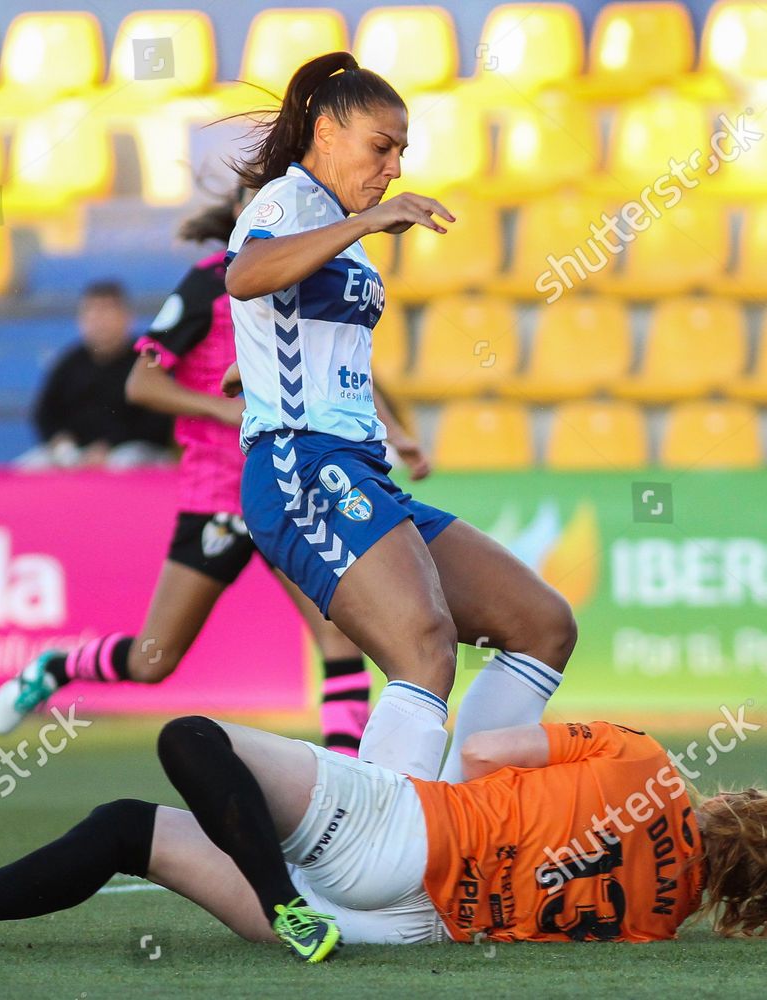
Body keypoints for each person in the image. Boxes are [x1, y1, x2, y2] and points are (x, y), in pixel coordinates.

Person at [221, 51, 579, 782]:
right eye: (380, 147)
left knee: (542, 624)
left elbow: (299, 325)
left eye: (401, 153)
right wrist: (372, 221)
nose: (392, 167)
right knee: (423, 646)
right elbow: (246, 274)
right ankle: (375, 869)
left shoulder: (330, 222)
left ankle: (459, 818)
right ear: (325, 131)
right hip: (301, 466)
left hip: (360, 467)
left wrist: (249, 363)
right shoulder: (289, 202)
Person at [0, 714, 767, 961]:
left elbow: (491, 747)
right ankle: (285, 907)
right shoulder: (661, 924)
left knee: (185, 745)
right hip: (400, 930)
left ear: (735, 808)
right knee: (140, 831)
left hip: (405, 834)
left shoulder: (650, 763)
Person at [0, 195, 434, 759]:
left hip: (288, 486)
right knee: (154, 659)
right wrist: (224, 410)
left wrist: (393, 430)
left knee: (337, 638)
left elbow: (347, 364)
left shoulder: (311, 272)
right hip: (219, 495)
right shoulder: (207, 283)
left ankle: (343, 788)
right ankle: (60, 665)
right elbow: (141, 385)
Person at [21, 280, 173, 468]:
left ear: (127, 317)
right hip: (76, 454)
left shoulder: (147, 361)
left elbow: (160, 421)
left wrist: (109, 445)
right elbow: (45, 414)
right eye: (91, 312)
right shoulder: (70, 362)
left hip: (131, 451)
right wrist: (60, 441)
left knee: (124, 463)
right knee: (30, 467)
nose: (99, 320)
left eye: (106, 311)